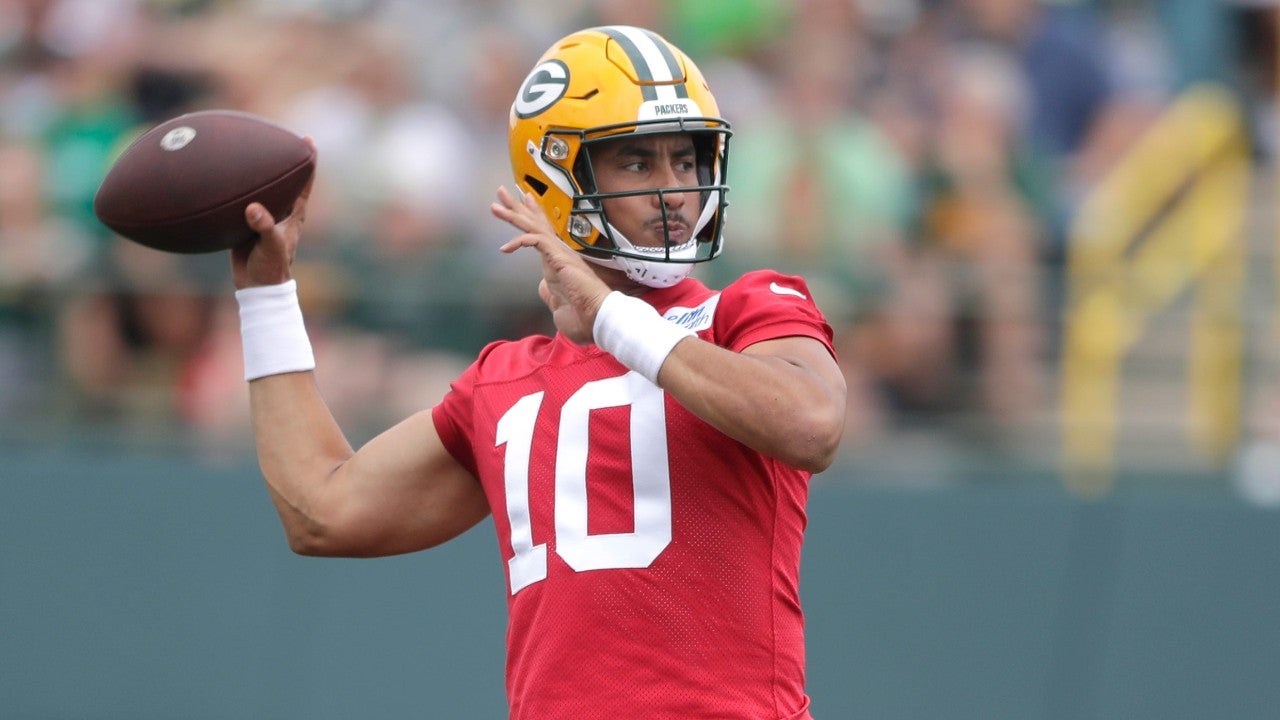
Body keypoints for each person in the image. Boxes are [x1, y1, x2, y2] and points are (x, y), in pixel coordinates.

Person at [231, 25, 846, 720]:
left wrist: (610, 316)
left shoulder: (747, 307)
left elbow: (811, 423)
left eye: (686, 158)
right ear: (556, 180)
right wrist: (266, 296)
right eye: (637, 164)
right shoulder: (504, 381)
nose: (674, 189)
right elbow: (324, 512)